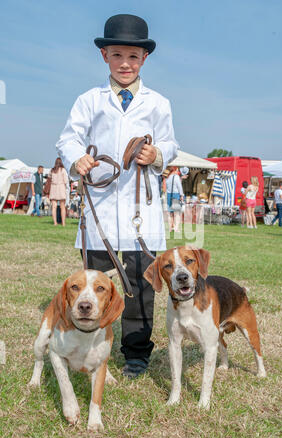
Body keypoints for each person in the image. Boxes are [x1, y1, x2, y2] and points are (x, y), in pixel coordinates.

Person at [56, 14, 178, 379]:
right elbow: (68, 137)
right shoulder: (89, 100)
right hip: (101, 210)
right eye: (117, 55)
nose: (125, 64)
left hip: (142, 209)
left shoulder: (159, 103)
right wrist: (76, 156)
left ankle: (137, 354)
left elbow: (170, 143)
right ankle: (93, 345)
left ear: (144, 60)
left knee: (142, 285)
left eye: (133, 57)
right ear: (104, 56)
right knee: (98, 283)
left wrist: (156, 155)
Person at [49, 157, 69, 226]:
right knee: (62, 207)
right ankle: (63, 223)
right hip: (61, 189)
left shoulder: (52, 170)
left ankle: (55, 223)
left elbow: (49, 179)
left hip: (53, 189)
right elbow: (66, 181)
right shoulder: (63, 170)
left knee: (54, 207)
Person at [166, 166, 184, 232]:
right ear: (175, 170)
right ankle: (176, 228)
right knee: (177, 213)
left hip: (168, 195)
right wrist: (181, 195)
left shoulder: (168, 177)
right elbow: (179, 187)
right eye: (177, 170)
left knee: (170, 213)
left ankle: (170, 228)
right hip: (175, 194)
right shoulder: (176, 177)